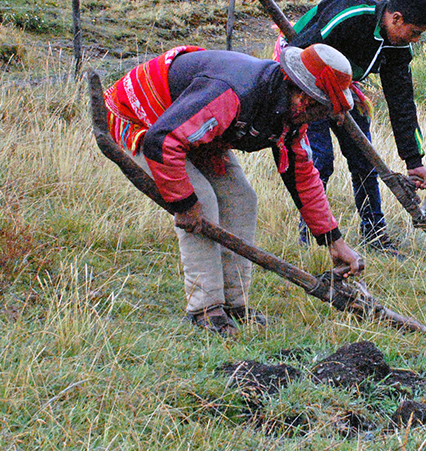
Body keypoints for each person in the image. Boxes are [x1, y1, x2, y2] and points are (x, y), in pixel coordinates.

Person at [103, 43, 365, 336]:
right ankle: (205, 308)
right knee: (201, 201)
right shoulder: (233, 93)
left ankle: (234, 303)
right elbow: (162, 142)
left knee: (242, 199)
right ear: (305, 99)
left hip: (192, 130)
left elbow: (302, 176)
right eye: (323, 110)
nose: (322, 119)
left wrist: (333, 240)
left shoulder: (290, 115)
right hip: (143, 118)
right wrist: (184, 205)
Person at [276, 0, 426, 251]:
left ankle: (374, 236)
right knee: (321, 159)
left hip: (342, 87)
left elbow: (402, 104)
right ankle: (309, 237)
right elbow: (298, 51)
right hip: (305, 78)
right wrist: (313, 103)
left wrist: (414, 160)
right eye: (414, 33)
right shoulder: (350, 16)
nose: (415, 40)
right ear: (396, 18)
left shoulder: (398, 49)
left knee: (364, 160)